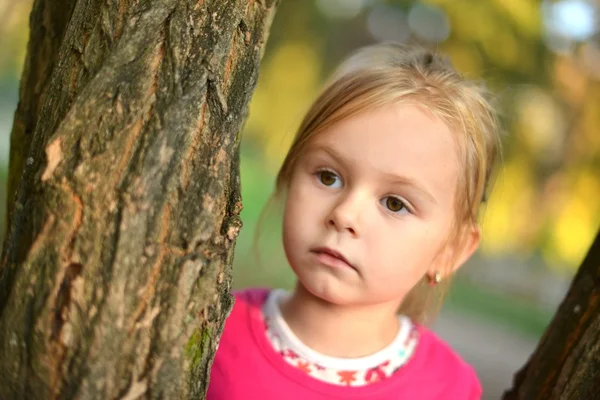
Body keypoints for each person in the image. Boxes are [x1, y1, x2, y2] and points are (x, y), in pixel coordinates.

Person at [207, 42, 501, 399]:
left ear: (450, 251)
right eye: (328, 177)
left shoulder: (449, 387)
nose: (344, 215)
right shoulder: (211, 329)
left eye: (395, 203)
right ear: (288, 174)